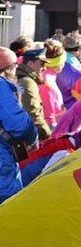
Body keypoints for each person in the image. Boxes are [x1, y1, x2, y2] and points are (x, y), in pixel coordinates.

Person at [0, 47, 38, 202]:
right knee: (7, 206)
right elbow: (16, 122)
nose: (17, 68)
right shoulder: (1, 86)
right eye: (14, 64)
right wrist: (32, 137)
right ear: (5, 67)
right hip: (2, 156)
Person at [16, 44, 52, 141]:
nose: (44, 68)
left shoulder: (22, 79)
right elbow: (33, 113)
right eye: (42, 64)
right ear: (30, 64)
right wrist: (47, 133)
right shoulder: (28, 82)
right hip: (30, 137)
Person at [57, 31, 81, 109]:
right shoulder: (78, 74)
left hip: (53, 114)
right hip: (72, 116)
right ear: (78, 50)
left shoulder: (53, 66)